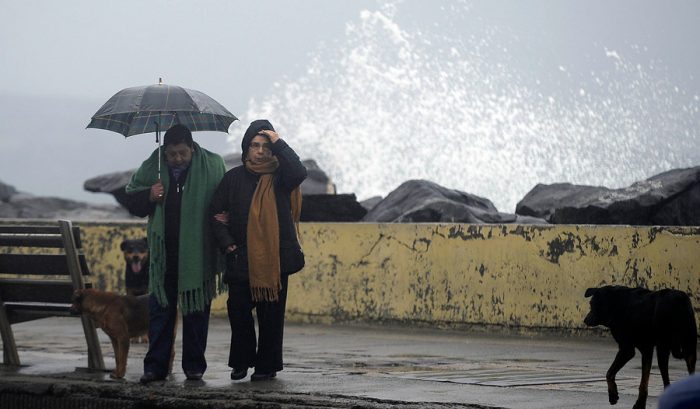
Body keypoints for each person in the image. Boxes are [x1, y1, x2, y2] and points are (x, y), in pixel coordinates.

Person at [124, 124, 226, 383]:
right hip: (164, 256)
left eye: (182, 153)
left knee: (196, 312)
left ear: (192, 148)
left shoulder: (213, 166)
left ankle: (194, 367)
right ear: (164, 151)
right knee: (160, 312)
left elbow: (225, 199)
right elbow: (132, 199)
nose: (177, 159)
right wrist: (150, 194)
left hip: (198, 253)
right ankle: (155, 367)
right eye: (172, 154)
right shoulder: (154, 166)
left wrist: (226, 216)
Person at [209, 119, 307, 381]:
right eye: (255, 145)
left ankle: (267, 366)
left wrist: (279, 141)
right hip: (241, 256)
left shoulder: (282, 178)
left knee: (271, 317)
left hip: (274, 260)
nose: (260, 151)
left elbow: (299, 172)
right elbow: (217, 213)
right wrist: (227, 243)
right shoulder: (233, 178)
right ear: (246, 148)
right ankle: (241, 362)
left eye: (266, 146)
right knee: (238, 311)